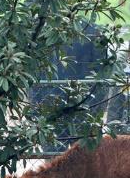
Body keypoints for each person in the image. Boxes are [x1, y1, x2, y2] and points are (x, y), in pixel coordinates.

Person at [29, 18, 110, 153]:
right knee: (54, 159)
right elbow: (34, 72)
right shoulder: (39, 29)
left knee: (83, 157)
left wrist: (96, 107)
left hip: (83, 107)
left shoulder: (91, 31)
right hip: (50, 107)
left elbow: (101, 73)